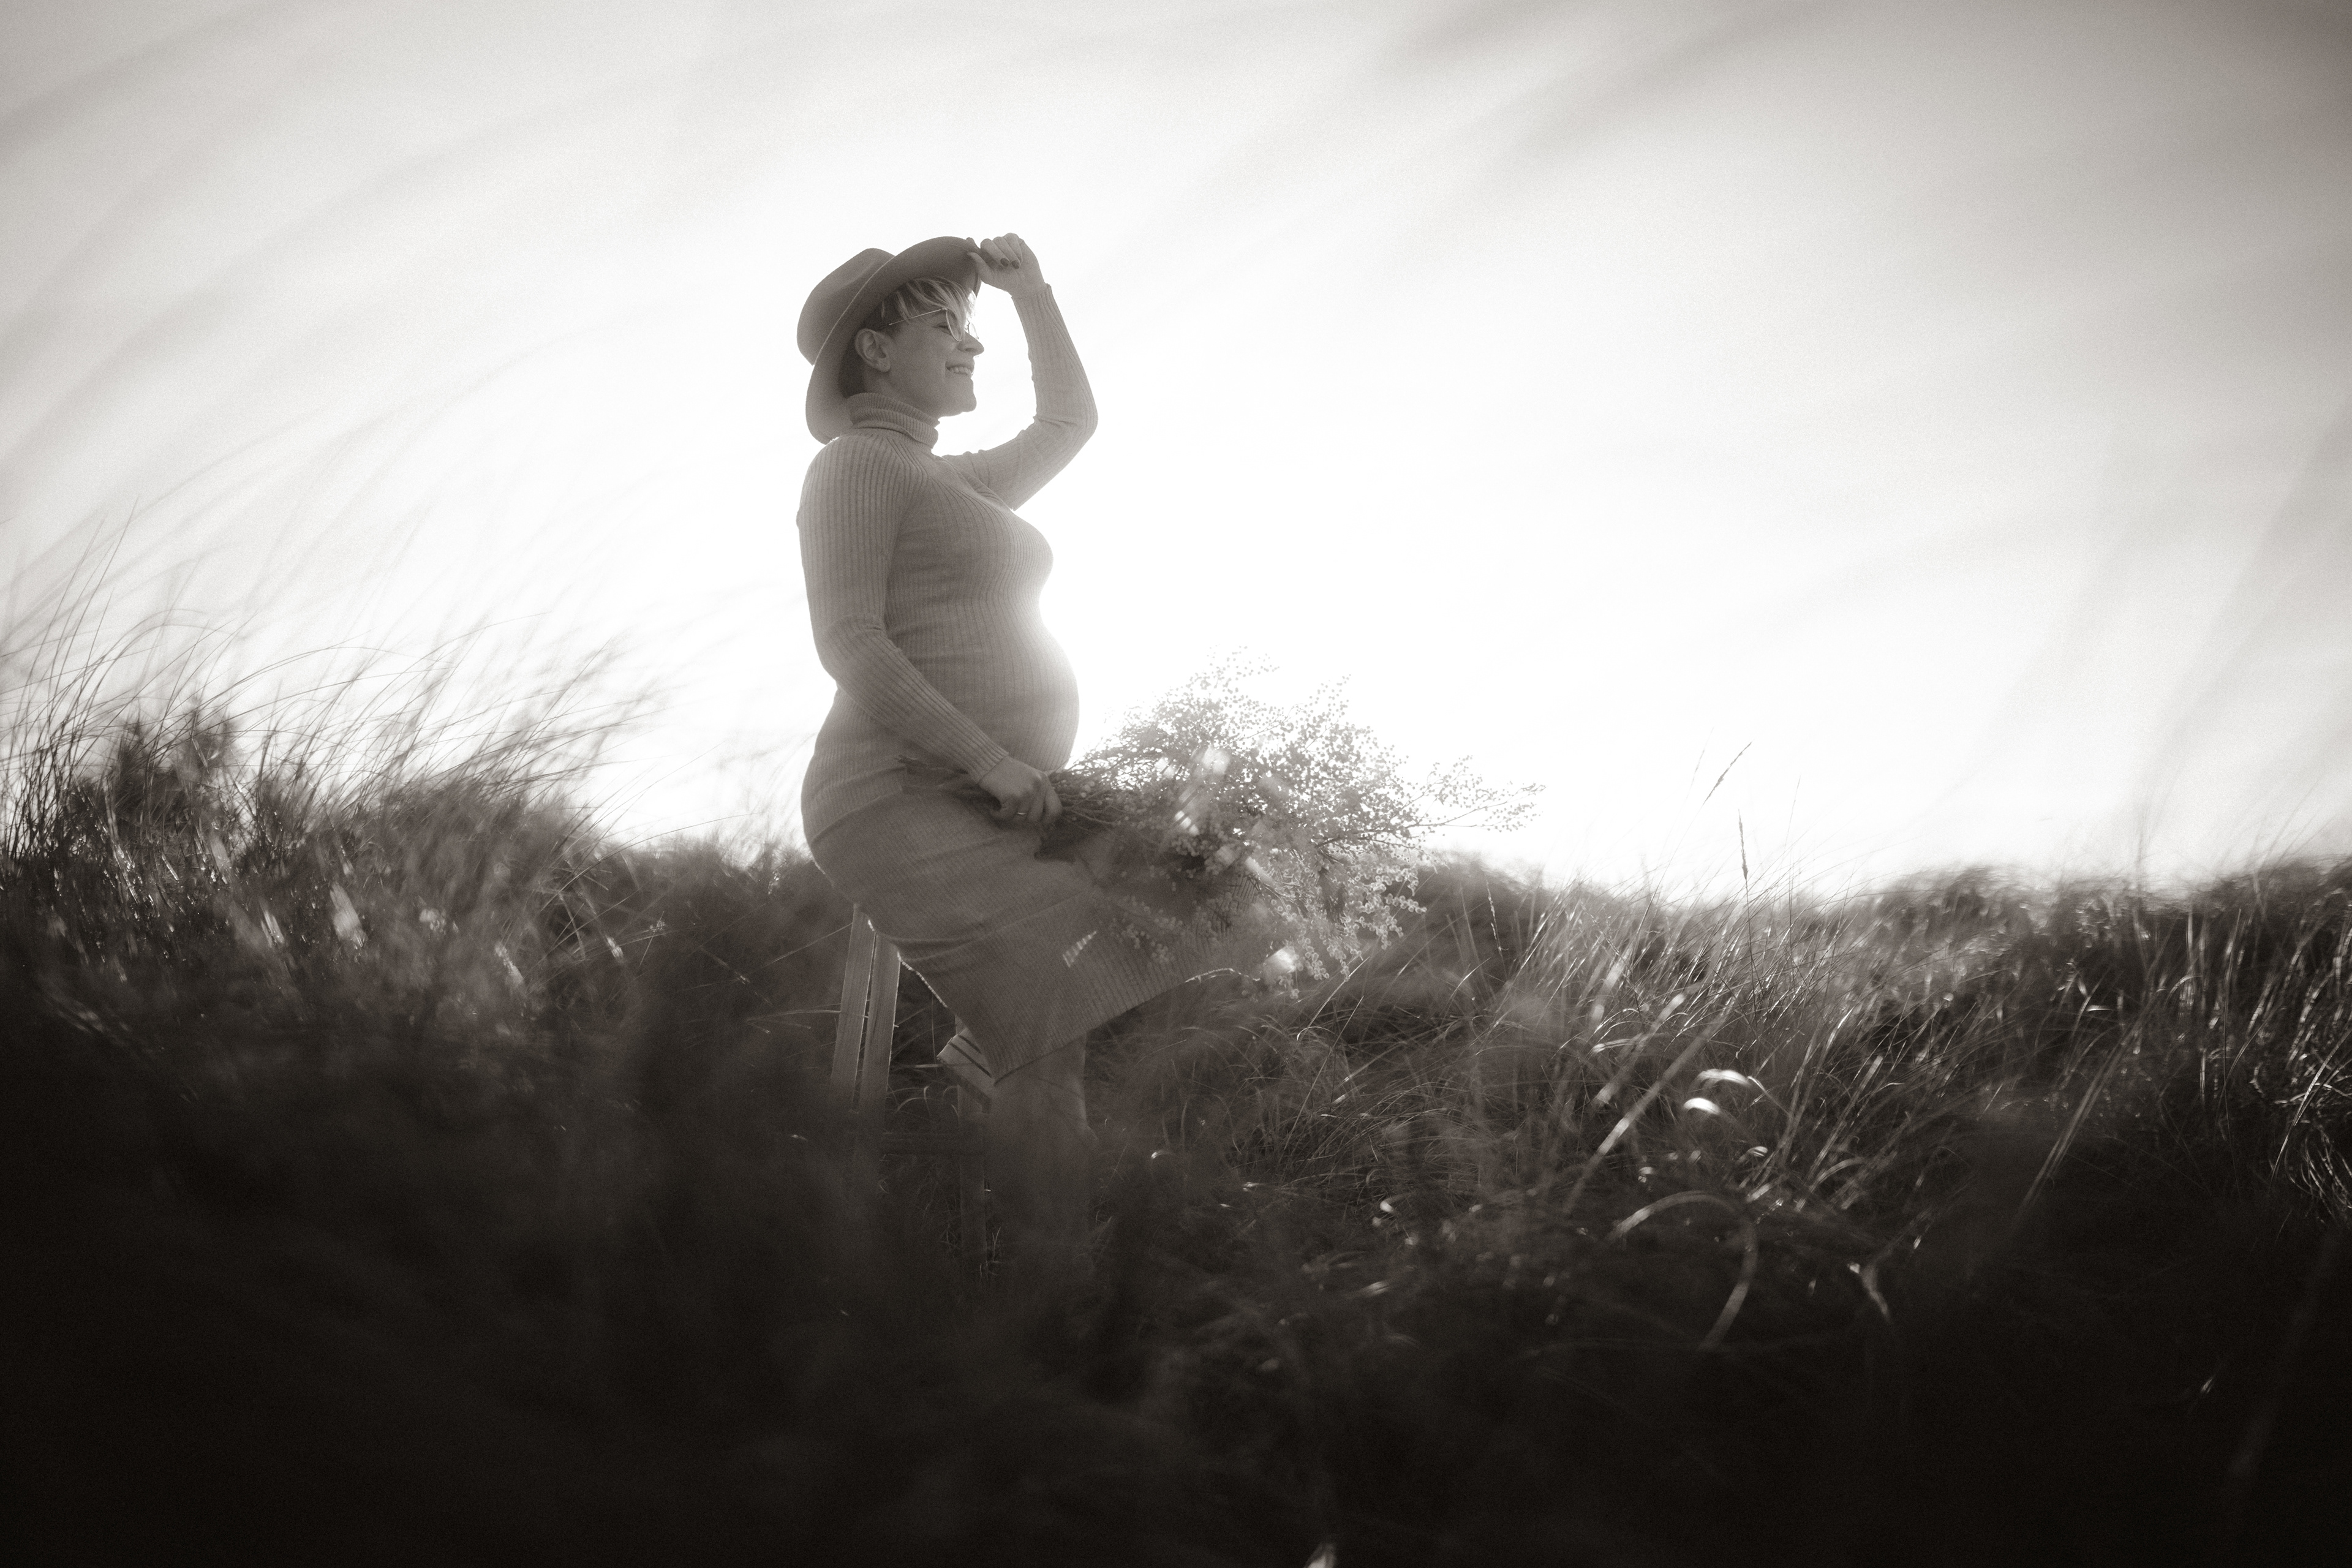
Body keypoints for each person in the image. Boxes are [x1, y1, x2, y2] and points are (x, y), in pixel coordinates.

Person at [792, 232, 1186, 1286]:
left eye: (968, 326)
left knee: (1197, 887)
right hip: (896, 795)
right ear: (876, 351)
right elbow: (850, 641)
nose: (970, 346)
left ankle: (988, 1056)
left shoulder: (952, 480)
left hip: (991, 799)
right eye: (943, 327)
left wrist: (1032, 295)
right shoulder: (857, 465)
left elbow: (1068, 424)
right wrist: (992, 760)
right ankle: (1053, 1296)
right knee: (1048, 1042)